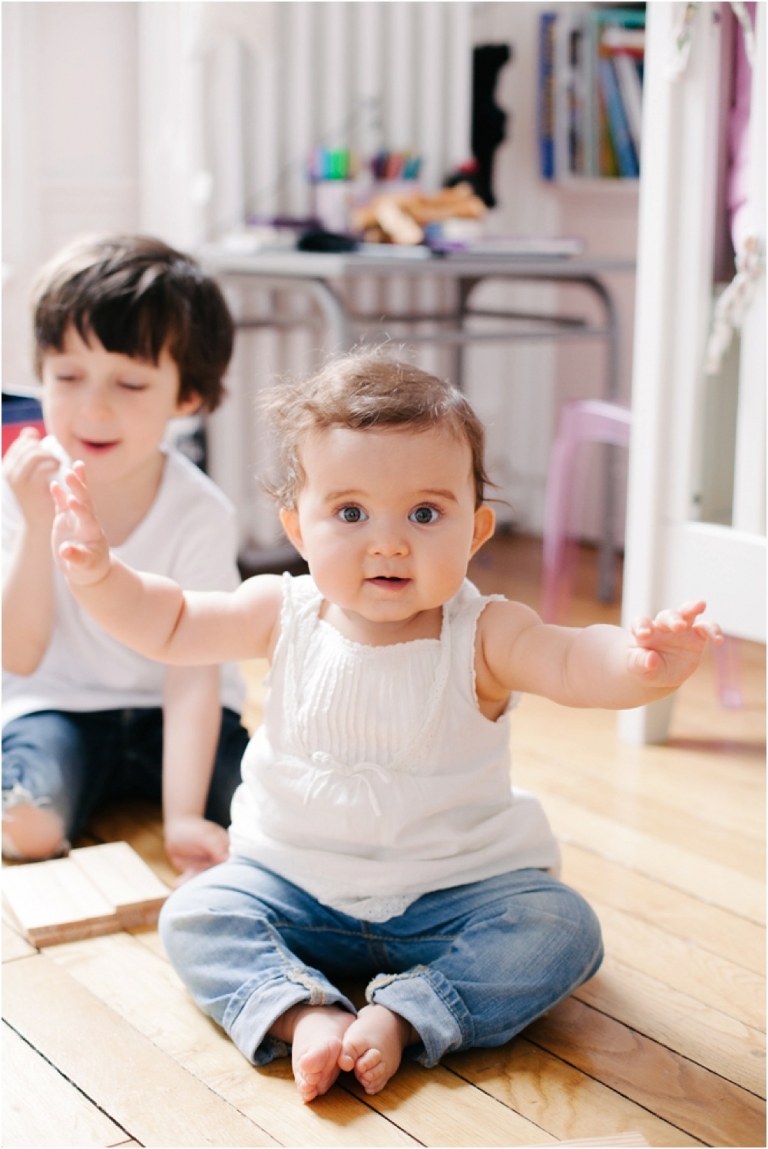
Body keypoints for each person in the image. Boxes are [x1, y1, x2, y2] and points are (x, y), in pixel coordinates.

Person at [49, 351, 722, 1103]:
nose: (389, 541)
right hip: (292, 885)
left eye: (425, 514)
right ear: (297, 526)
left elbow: (569, 659)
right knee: (196, 911)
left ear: (476, 530)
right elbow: (170, 620)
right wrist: (99, 575)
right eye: (350, 512)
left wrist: (637, 661)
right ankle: (301, 1011)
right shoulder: (282, 610)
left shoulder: (484, 633)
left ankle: (409, 1012)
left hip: (454, 893)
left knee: (564, 928)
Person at [2, 234, 250, 883]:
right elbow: (18, 656)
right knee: (27, 827)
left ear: (187, 397)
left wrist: (183, 819)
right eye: (67, 376)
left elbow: (193, 670)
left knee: (264, 817)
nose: (93, 407)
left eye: (131, 382)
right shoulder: (21, 486)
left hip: (182, 713)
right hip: (59, 707)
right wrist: (35, 525)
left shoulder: (201, 511)